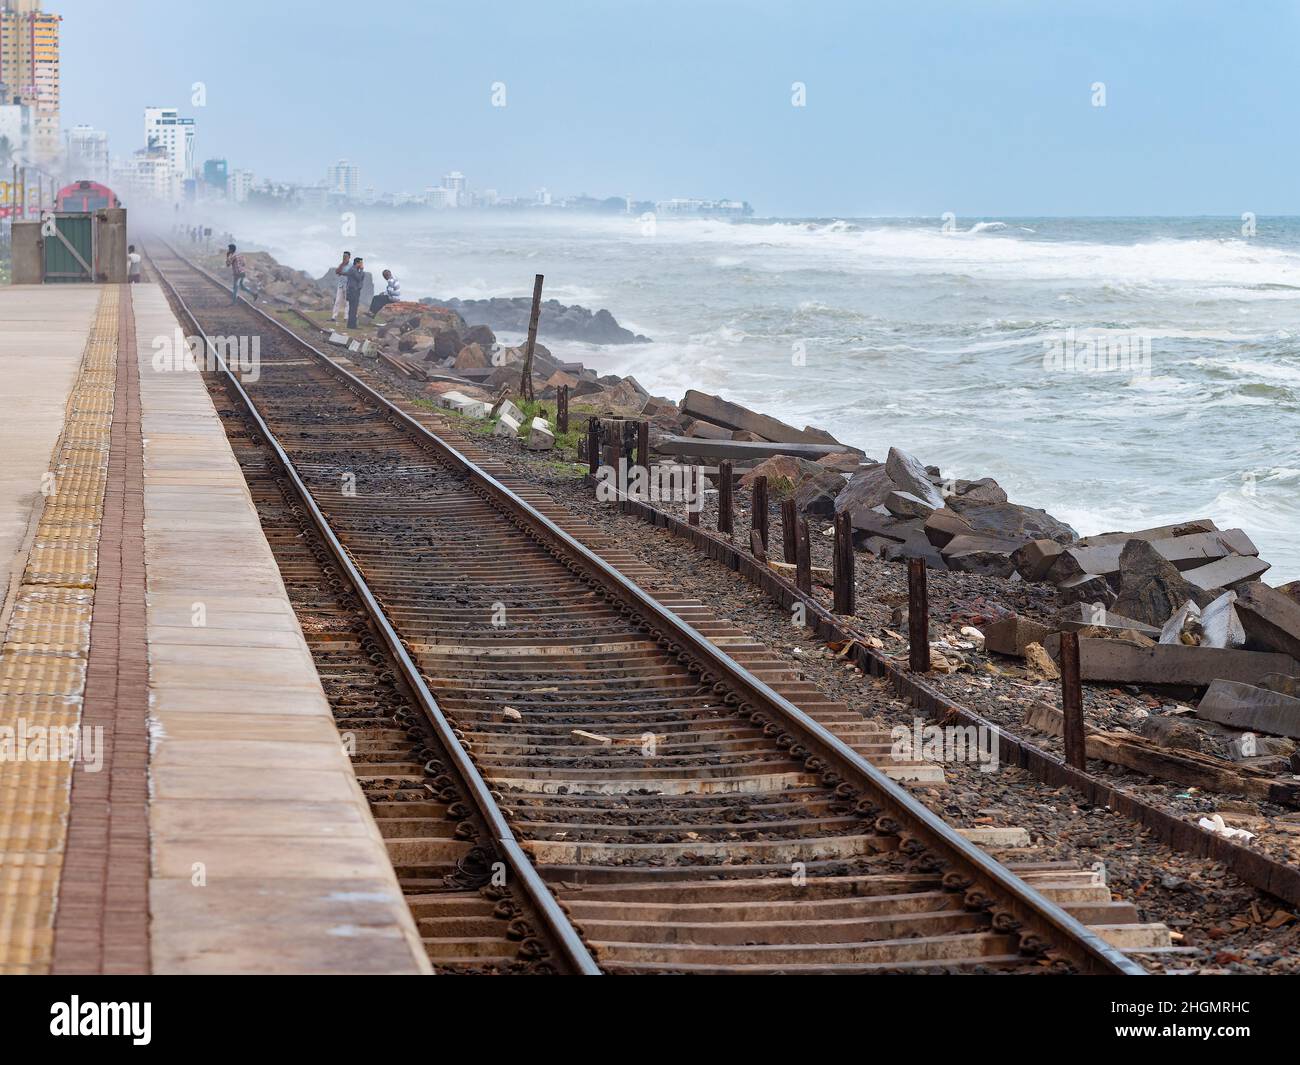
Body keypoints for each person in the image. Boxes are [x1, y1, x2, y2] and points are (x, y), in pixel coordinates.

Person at [345, 256, 366, 328]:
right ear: (357, 263)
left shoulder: (356, 270)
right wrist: (362, 270)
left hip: (355, 291)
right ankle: (351, 325)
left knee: (354, 308)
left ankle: (352, 324)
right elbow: (359, 278)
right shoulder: (353, 270)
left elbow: (361, 277)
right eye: (361, 263)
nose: (362, 264)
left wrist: (361, 271)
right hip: (353, 291)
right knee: (353, 308)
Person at [330, 251, 352, 322]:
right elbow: (337, 271)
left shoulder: (351, 265)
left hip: (348, 285)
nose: (344, 257)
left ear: (349, 257)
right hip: (340, 285)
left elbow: (351, 274)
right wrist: (342, 265)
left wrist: (342, 273)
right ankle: (334, 316)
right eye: (343, 256)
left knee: (347, 302)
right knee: (337, 301)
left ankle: (346, 317)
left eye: (346, 256)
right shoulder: (341, 264)